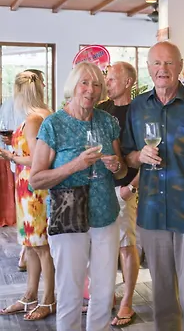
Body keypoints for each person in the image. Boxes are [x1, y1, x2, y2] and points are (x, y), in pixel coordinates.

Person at [122, 41, 184, 331]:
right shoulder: (138, 107)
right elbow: (127, 155)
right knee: (162, 295)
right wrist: (139, 156)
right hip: (152, 212)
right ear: (148, 68)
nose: (162, 69)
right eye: (156, 63)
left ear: (179, 66)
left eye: (168, 63)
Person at [29, 62, 128, 331]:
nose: (91, 90)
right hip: (68, 216)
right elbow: (36, 179)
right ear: (73, 85)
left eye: (97, 84)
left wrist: (117, 167)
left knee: (104, 292)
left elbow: (121, 171)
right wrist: (75, 165)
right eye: (85, 83)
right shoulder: (53, 124)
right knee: (70, 293)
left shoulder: (107, 122)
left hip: (105, 215)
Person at [0, 71, 54, 320]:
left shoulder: (33, 119)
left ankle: (48, 300)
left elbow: (37, 159)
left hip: (35, 191)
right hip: (29, 190)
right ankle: (29, 295)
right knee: (31, 246)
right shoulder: (43, 115)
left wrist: (11, 155)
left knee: (41, 247)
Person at [97, 61, 140, 327]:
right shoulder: (102, 109)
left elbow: (151, 155)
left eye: (112, 79)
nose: (107, 83)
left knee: (126, 246)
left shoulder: (139, 112)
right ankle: (107, 295)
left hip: (124, 187)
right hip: (100, 188)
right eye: (107, 79)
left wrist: (131, 187)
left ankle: (128, 301)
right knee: (103, 246)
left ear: (128, 82)